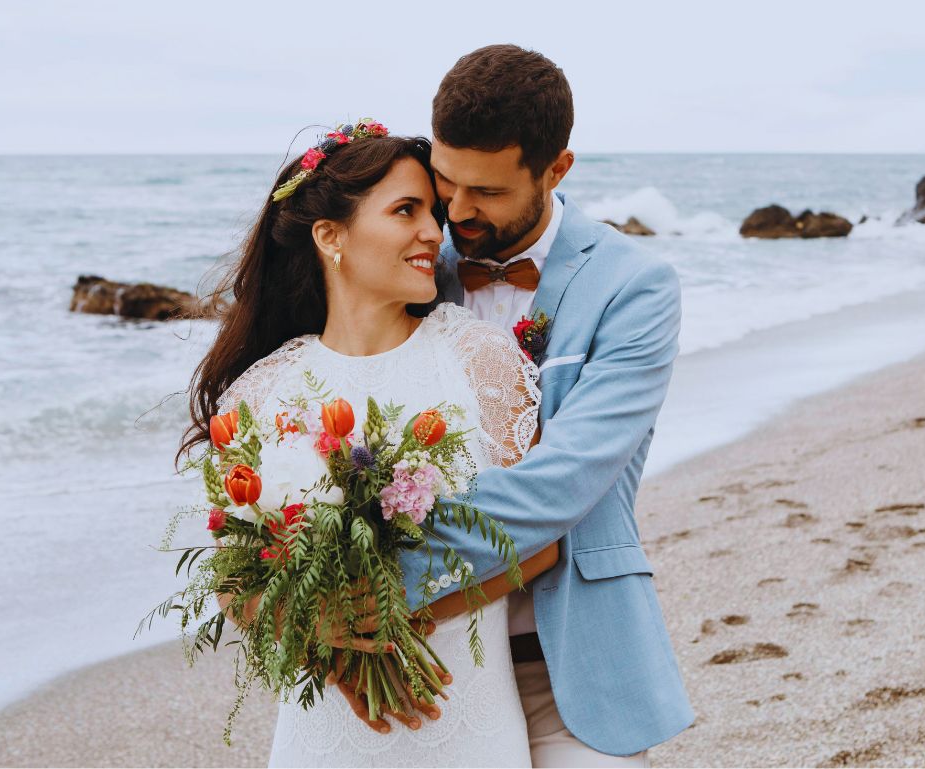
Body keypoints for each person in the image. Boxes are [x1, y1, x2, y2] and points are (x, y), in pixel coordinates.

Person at [333, 45, 695, 767]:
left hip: (567, 668)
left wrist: (384, 581)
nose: (457, 211)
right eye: (445, 179)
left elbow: (565, 477)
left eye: (487, 192)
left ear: (556, 169)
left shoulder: (635, 286)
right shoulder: (408, 264)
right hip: (423, 666)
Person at [181, 127, 548, 766]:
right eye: (406, 211)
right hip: (327, 731)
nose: (435, 233)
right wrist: (324, 639)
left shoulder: (480, 361)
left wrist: (399, 619)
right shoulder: (260, 393)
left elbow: (541, 540)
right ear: (331, 237)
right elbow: (232, 581)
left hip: (467, 724)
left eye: (433, 214)